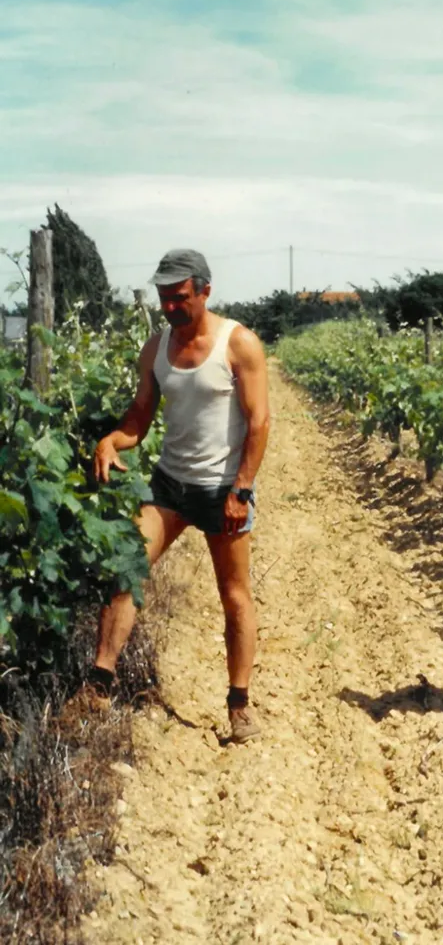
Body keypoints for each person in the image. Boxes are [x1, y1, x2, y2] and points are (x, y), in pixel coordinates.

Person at [81, 249, 270, 744]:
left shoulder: (239, 343)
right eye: (164, 299)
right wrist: (110, 440)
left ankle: (239, 704)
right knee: (128, 571)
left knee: (233, 596)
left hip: (221, 491)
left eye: (179, 299)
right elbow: (139, 420)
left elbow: (260, 422)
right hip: (169, 486)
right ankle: (99, 683)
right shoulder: (156, 348)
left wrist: (242, 489)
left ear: (205, 291)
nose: (169, 308)